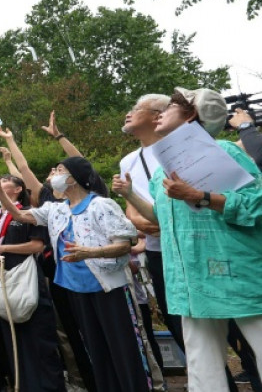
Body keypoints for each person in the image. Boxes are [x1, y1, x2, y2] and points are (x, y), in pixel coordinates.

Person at [114, 87, 262, 390]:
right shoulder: (163, 170)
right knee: (201, 370)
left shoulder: (225, 151)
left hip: (238, 279)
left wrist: (201, 197)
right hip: (191, 283)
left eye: (171, 107)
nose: (162, 113)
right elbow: (161, 217)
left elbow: (256, 205)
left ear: (191, 114)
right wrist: (129, 195)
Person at [0, 157, 150, 391]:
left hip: (108, 288)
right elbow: (22, 215)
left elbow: (125, 244)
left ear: (72, 178)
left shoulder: (101, 206)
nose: (53, 174)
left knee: (124, 349)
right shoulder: (56, 209)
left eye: (59, 170)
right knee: (96, 351)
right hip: (75, 289)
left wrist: (90, 252)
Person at [0, 175, 66, 392]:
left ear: (19, 188)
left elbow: (37, 246)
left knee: (38, 338)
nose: (1, 182)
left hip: (27, 277)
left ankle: (50, 387)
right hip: (3, 278)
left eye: (7, 180)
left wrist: (3, 249)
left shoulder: (30, 212)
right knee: (13, 339)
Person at [118, 94, 177, 366]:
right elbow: (131, 212)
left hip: (188, 248)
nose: (128, 113)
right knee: (175, 321)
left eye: (136, 108)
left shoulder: (179, 150)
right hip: (157, 252)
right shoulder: (128, 161)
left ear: (157, 116)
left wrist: (159, 222)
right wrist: (155, 224)